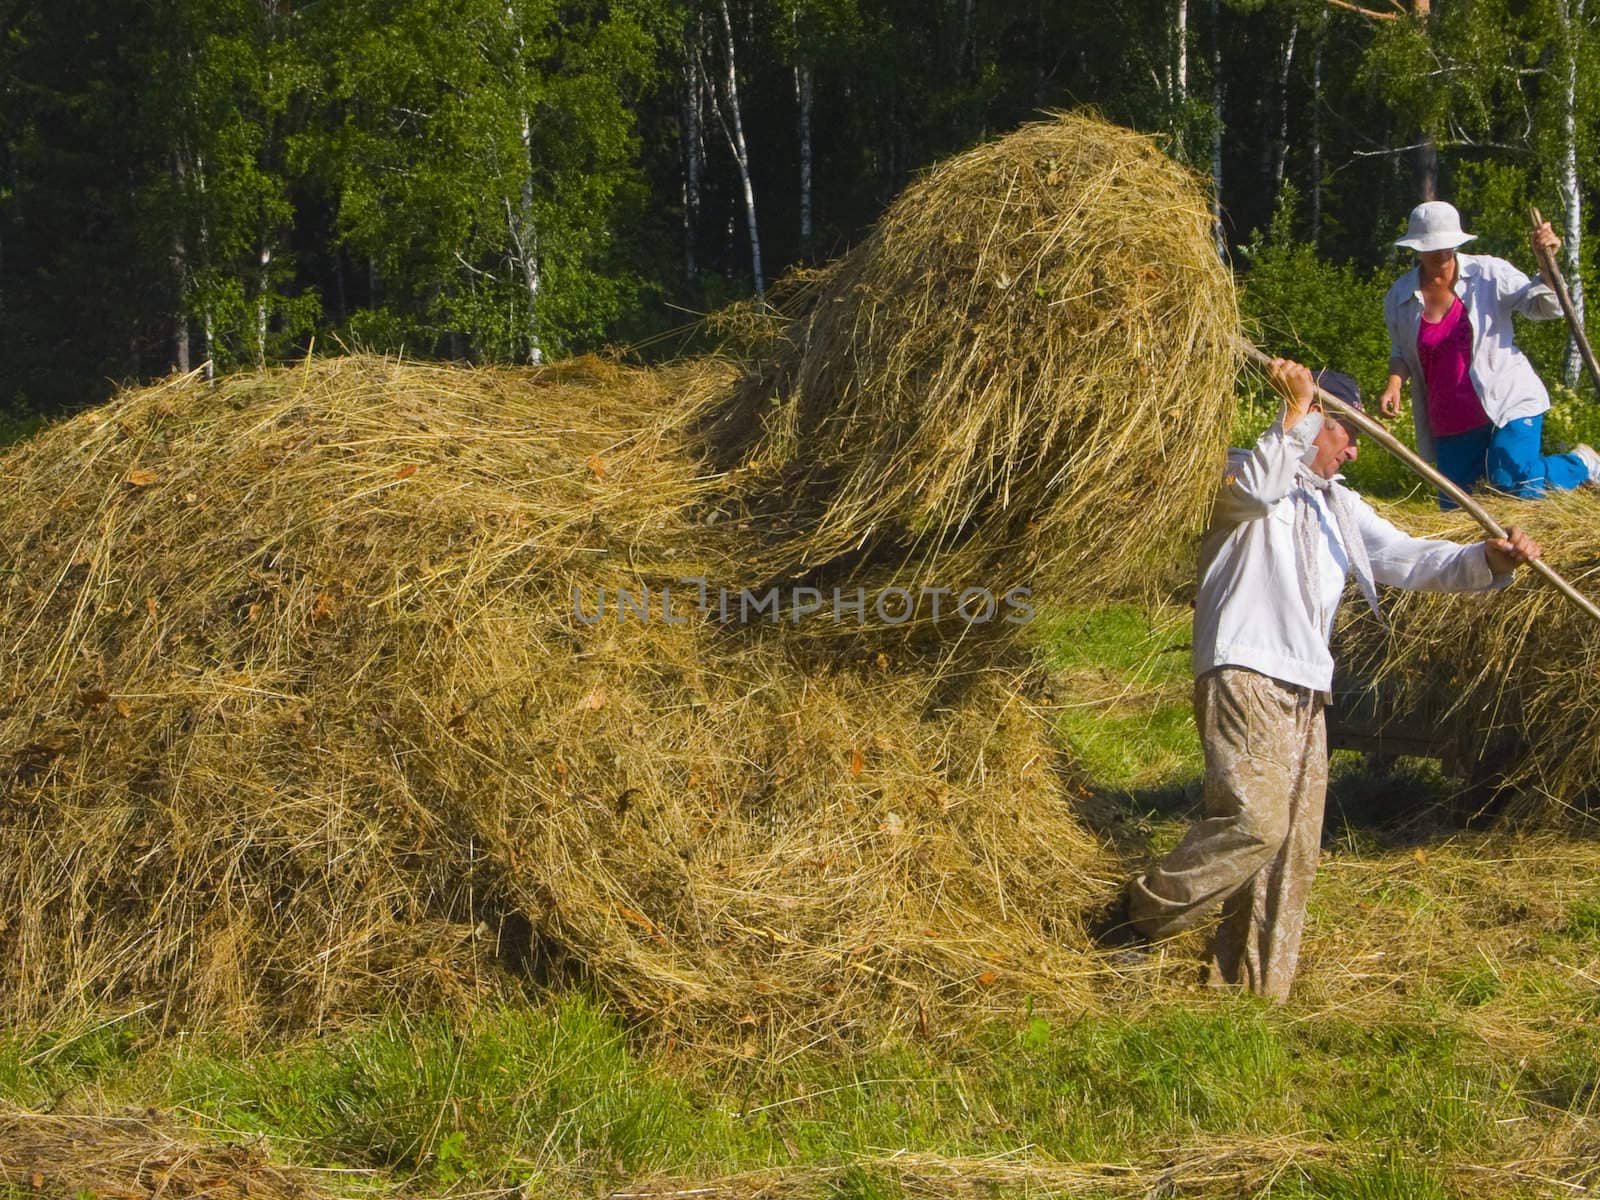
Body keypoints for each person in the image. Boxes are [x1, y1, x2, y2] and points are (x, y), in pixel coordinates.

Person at [1096, 357, 1541, 1001]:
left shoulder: (1340, 507)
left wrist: (1488, 559)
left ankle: (1246, 992)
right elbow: (1256, 492)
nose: (1357, 451)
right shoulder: (1241, 467)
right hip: (1244, 668)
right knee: (1256, 823)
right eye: (1349, 433)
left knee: (1291, 853)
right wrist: (1297, 414)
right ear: (1317, 421)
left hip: (1308, 689)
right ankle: (1137, 918)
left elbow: (1411, 558)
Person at [1379, 200, 1600, 506]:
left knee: (1513, 479)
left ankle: (1579, 465)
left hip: (1506, 398)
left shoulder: (1488, 273)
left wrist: (1545, 264)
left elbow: (1543, 305)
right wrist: (1394, 383)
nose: (1442, 253)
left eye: (1447, 245)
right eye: (1432, 246)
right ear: (1417, 247)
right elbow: (1401, 349)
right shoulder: (1399, 297)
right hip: (1451, 415)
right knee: (1459, 507)